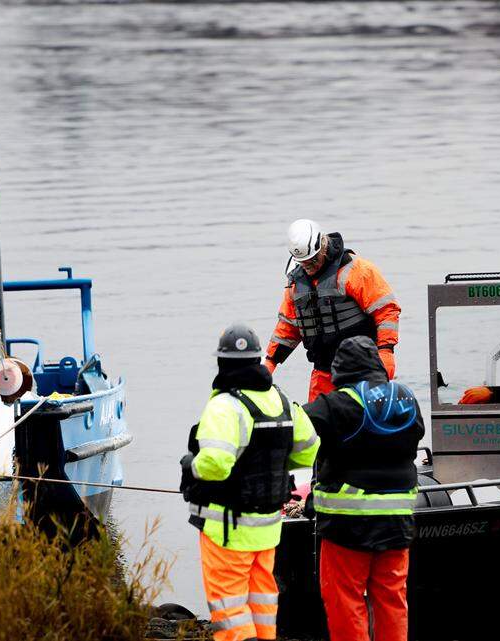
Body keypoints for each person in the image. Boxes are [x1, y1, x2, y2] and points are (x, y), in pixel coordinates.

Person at [180, 323, 320, 641]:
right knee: (262, 601)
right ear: (258, 360)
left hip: (228, 528)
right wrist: (281, 468)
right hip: (268, 527)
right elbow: (310, 448)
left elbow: (215, 464)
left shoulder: (224, 406)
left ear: (222, 363)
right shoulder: (282, 401)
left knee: (229, 608)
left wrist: (193, 466)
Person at [302, 336, 423, 641]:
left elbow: (294, 427)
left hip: (347, 527)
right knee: (392, 599)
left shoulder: (335, 405)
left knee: (346, 601)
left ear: (339, 372)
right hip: (397, 522)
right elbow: (416, 434)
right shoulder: (406, 399)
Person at [265, 219, 401, 402]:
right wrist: (269, 362)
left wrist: (386, 350)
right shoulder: (296, 283)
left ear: (322, 245)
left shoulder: (356, 270)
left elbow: (386, 310)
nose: (309, 266)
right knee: (318, 426)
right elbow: (288, 327)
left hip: (362, 370)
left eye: (312, 260)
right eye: (303, 262)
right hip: (323, 372)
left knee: (364, 423)